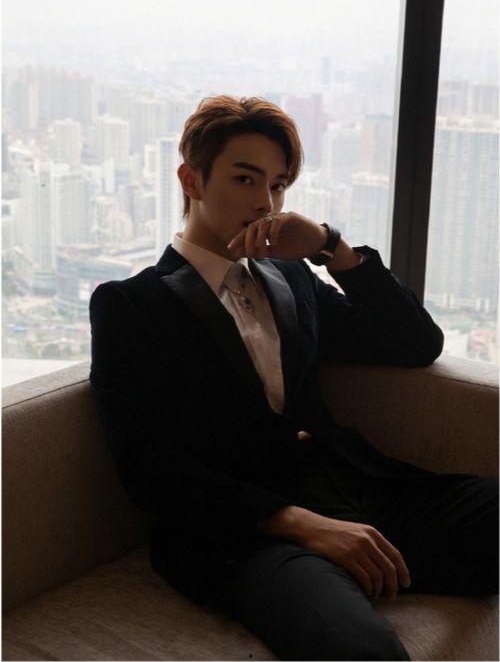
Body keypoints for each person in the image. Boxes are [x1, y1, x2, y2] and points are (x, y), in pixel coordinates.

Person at [89, 95, 498, 661]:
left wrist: (331, 247)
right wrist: (299, 524)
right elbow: (148, 466)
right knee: (361, 652)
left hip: (360, 492)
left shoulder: (290, 278)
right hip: (252, 535)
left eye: (278, 185)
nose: (266, 202)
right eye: (245, 178)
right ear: (191, 179)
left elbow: (414, 344)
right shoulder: (132, 305)